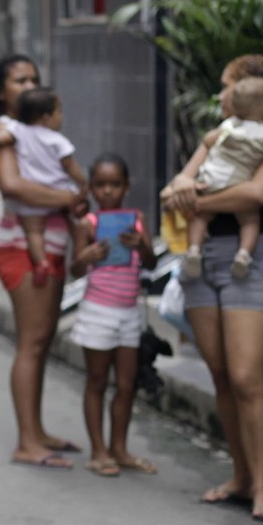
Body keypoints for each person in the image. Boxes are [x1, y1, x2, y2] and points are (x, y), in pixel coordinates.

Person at [161, 53, 263, 523]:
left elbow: (256, 195)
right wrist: (184, 191)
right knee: (222, 376)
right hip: (202, 257)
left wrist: (198, 199)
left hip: (251, 259)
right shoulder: (223, 133)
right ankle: (241, 478)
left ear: (252, 88)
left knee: (248, 378)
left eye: (226, 86)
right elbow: (177, 187)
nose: (219, 95)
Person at [0, 54, 87, 469]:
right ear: (2, 93)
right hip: (23, 247)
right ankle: (27, 441)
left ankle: (36, 432)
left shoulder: (31, 130)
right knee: (32, 342)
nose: (29, 86)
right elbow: (13, 185)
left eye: (34, 79)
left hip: (49, 244)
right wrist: (71, 197)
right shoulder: (4, 129)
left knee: (40, 343)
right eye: (20, 81)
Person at [167, 76, 263, 280]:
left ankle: (194, 250)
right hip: (235, 183)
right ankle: (244, 254)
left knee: (200, 218)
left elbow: (208, 140)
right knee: (250, 220)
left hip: (210, 179)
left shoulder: (228, 126)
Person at [69, 153, 158, 477]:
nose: (108, 191)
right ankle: (99, 451)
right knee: (96, 381)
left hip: (128, 314)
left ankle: (119, 448)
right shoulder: (87, 224)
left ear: (126, 187)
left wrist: (140, 246)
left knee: (126, 383)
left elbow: (150, 264)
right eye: (101, 185)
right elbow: (74, 269)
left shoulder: (137, 219)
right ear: (92, 189)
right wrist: (87, 255)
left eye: (115, 185)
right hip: (97, 311)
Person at [0, 86, 87, 286]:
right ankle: (78, 258)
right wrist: (83, 184)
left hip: (30, 200)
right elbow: (70, 167)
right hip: (58, 194)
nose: (62, 117)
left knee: (34, 232)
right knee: (78, 223)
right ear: (46, 117)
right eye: (59, 112)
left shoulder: (18, 130)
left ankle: (41, 261)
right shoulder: (58, 141)